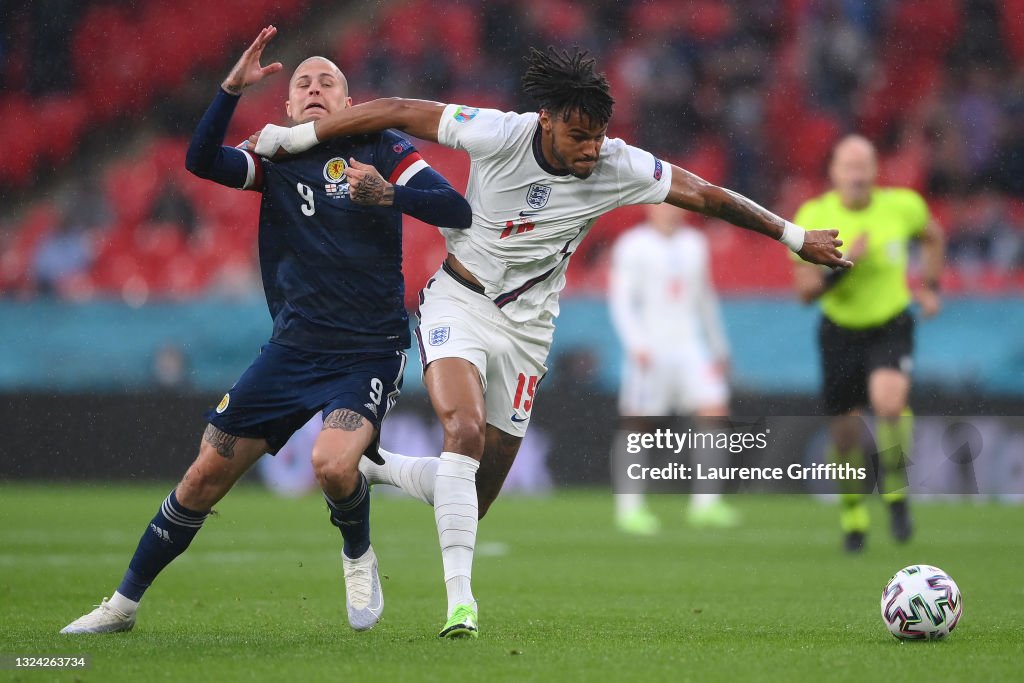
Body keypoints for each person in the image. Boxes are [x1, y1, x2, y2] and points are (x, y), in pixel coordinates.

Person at [253, 45, 849, 638]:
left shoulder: (619, 165)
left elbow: (707, 196)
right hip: (458, 301)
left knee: (473, 497)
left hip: (528, 332)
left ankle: (383, 470)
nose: (591, 148)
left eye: (598, 136)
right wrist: (295, 138)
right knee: (461, 430)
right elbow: (400, 108)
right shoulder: (498, 133)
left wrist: (794, 236)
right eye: (578, 135)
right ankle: (461, 603)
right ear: (546, 121)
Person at [60, 26, 471, 635]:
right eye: (301, 82)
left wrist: (388, 196)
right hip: (292, 351)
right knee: (203, 476)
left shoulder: (382, 148)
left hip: (368, 351)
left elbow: (455, 210)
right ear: (286, 102)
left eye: (326, 81)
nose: (312, 88)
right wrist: (229, 89)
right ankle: (122, 606)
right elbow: (200, 160)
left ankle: (357, 556)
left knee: (332, 466)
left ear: (348, 100)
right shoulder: (275, 155)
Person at [792, 135, 944, 553]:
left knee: (890, 403)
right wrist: (840, 268)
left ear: (876, 171)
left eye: (864, 166)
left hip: (890, 323)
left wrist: (930, 287)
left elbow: (933, 236)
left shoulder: (902, 206)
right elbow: (805, 293)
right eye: (849, 166)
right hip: (840, 330)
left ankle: (895, 492)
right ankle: (853, 511)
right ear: (834, 172)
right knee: (845, 435)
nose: (857, 174)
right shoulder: (814, 215)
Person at [608, 202, 739, 535]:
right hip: (651, 345)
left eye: (676, 205)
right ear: (650, 208)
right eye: (664, 205)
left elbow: (704, 297)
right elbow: (621, 299)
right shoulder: (632, 244)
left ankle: (705, 505)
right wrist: (636, 343)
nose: (671, 211)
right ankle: (630, 509)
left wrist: (719, 345)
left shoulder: (695, 243)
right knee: (638, 425)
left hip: (689, 345)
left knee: (714, 412)